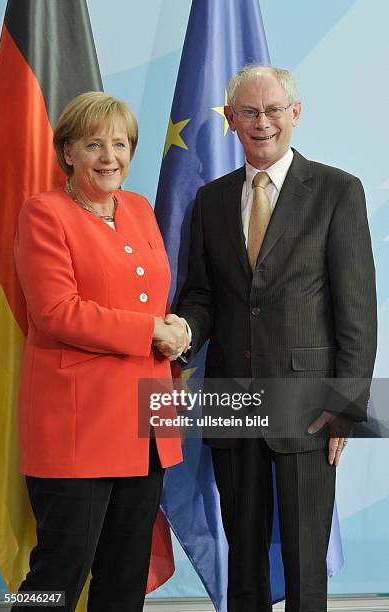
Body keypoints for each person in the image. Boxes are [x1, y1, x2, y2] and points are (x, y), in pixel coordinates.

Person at [156, 66, 377, 611]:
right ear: (230, 121)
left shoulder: (337, 191)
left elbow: (357, 312)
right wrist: (184, 330)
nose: (262, 123)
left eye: (273, 110)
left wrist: (345, 408)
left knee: (306, 562)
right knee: (244, 559)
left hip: (310, 408)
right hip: (234, 401)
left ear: (294, 114)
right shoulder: (209, 200)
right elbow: (203, 295)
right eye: (249, 113)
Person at [13, 91, 188, 611]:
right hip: (78, 429)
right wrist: (151, 329)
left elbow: (151, 294)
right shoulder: (44, 213)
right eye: (94, 144)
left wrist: (172, 324)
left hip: (145, 425)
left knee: (123, 576)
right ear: (67, 152)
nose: (110, 157)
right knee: (57, 575)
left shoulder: (137, 208)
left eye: (120, 144)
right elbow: (57, 311)